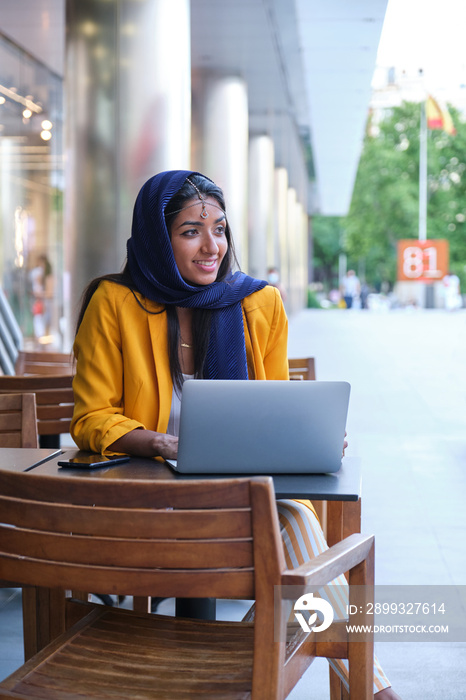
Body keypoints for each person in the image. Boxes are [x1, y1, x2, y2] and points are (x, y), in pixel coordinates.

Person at [71, 170, 401, 699]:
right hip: (147, 510)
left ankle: (229, 679)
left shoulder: (258, 303)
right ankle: (373, 691)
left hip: (235, 508)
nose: (212, 246)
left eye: (220, 229)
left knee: (293, 534)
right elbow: (90, 418)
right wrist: (158, 442)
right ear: (157, 237)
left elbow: (269, 408)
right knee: (299, 542)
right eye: (190, 231)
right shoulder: (114, 303)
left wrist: (306, 435)